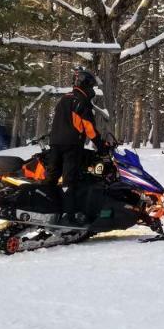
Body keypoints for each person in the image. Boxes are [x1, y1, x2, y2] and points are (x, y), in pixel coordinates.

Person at [45, 66, 103, 223]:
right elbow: (89, 128)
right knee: (69, 180)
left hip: (55, 143)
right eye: (91, 85)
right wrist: (101, 145)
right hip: (71, 145)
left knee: (51, 178)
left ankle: (46, 209)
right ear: (87, 84)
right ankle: (68, 216)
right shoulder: (82, 101)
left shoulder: (65, 98)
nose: (92, 89)